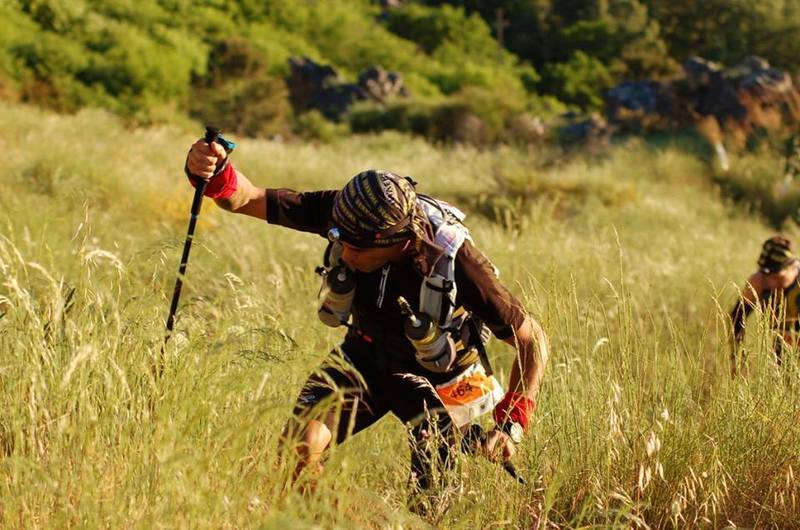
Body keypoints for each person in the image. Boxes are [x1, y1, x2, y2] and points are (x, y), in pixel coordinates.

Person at [184, 137, 549, 495]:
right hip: (364, 353)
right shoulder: (348, 212)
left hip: (441, 376)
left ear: (400, 242)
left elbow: (532, 339)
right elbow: (245, 198)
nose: (342, 252)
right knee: (298, 449)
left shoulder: (458, 262)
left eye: (355, 249)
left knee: (434, 500)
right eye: (338, 239)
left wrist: (513, 420)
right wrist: (212, 168)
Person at [729, 235, 800, 377]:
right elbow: (737, 317)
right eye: (767, 276)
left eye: (777, 276)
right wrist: (736, 356)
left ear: (792, 267)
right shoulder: (759, 281)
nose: (771, 283)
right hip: (781, 349)